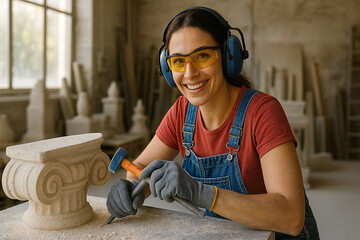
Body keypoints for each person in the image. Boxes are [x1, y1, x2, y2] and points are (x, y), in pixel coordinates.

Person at [106, 6, 320, 239]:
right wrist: (131, 189)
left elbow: (291, 218)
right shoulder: (181, 112)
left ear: (229, 56)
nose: (189, 73)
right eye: (178, 61)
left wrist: (203, 194)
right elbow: (140, 168)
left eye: (202, 56)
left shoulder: (262, 112)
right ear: (168, 69)